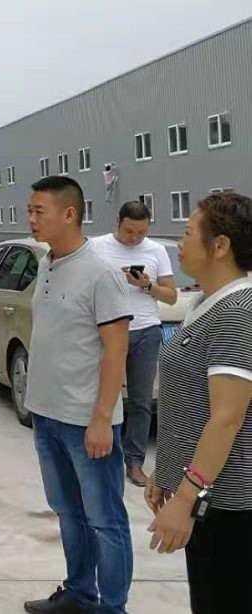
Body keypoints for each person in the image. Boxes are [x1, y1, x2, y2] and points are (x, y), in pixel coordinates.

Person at [23, 176, 133, 614]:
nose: (31, 219)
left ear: (70, 214)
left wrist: (102, 418)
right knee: (68, 512)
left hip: (86, 421)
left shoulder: (100, 273)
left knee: (105, 519)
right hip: (47, 414)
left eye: (39, 212)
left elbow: (116, 349)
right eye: (29, 211)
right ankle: (79, 593)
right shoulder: (47, 263)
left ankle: (112, 607)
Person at [146, 192, 252, 614]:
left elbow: (226, 418)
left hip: (229, 503)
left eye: (189, 232)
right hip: (208, 493)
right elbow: (191, 404)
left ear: (220, 245)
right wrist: (167, 468)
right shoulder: (205, 302)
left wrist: (186, 498)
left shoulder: (236, 313)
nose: (179, 242)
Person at [92, 201, 178, 487]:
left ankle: (135, 462)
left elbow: (171, 296)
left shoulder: (156, 251)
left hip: (145, 331)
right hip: (107, 331)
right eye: (129, 231)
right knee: (105, 396)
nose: (134, 238)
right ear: (118, 222)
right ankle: (104, 458)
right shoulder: (97, 247)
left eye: (141, 232)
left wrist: (146, 285)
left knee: (141, 401)